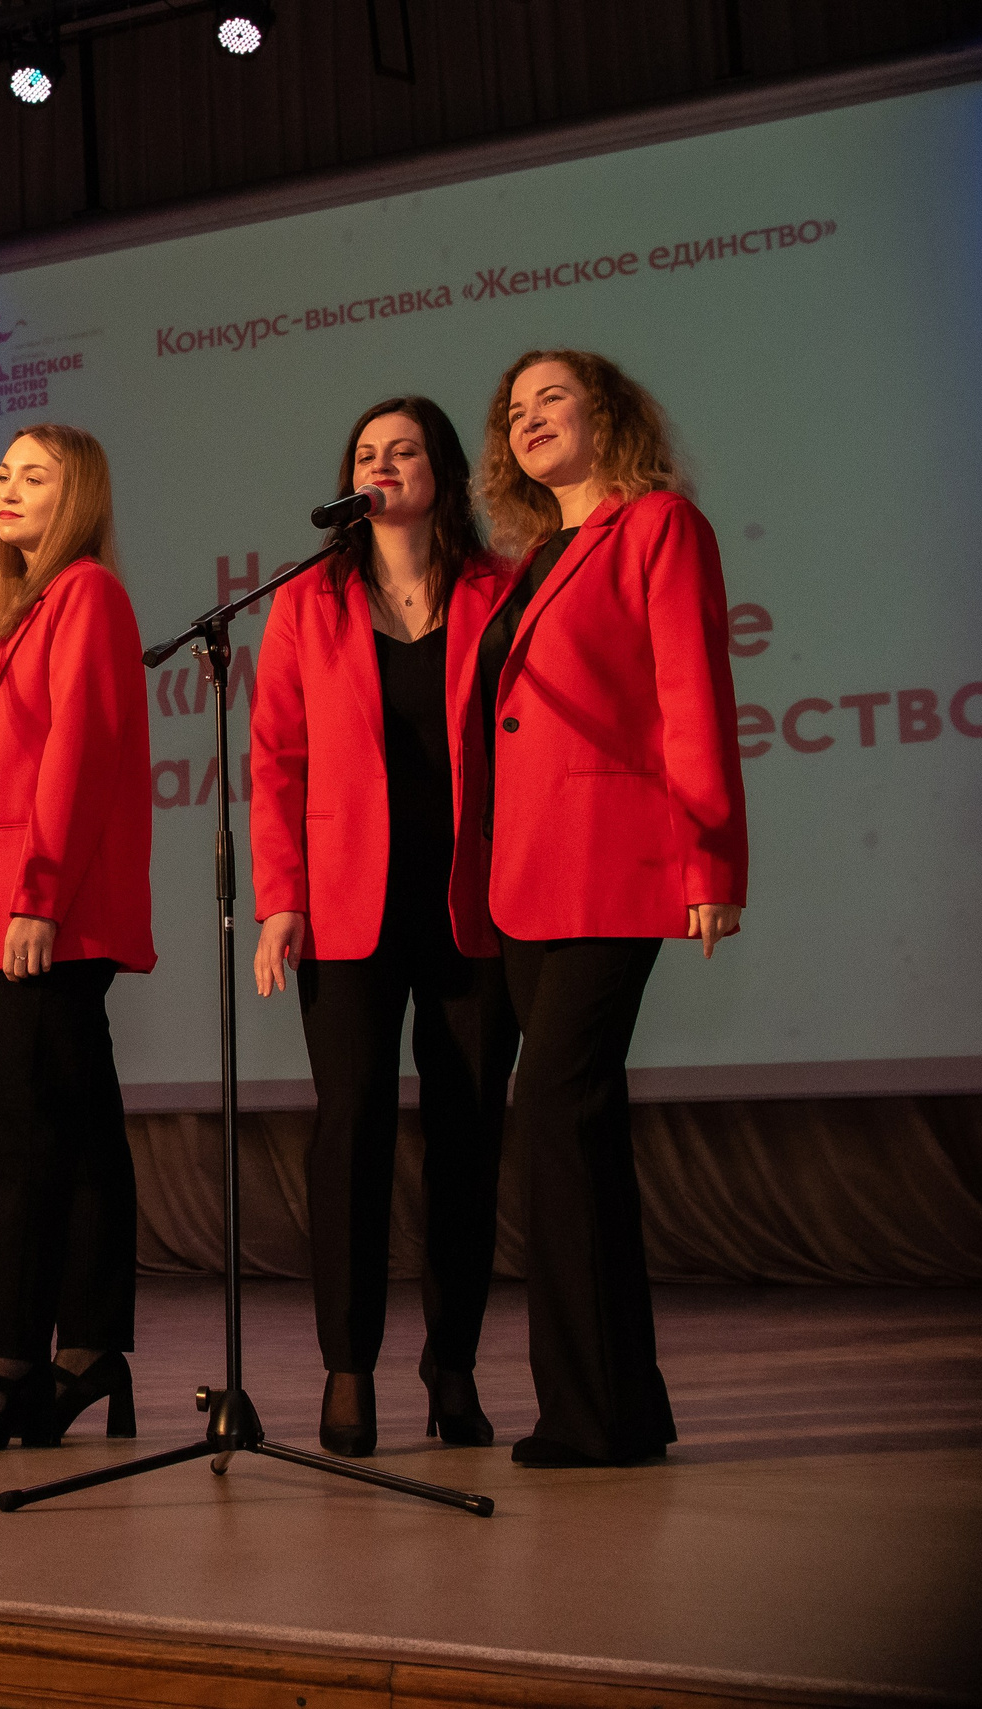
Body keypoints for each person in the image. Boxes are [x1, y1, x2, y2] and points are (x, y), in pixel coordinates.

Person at [476, 348, 747, 1467]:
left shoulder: (657, 527)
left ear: (608, 415)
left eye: (552, 399)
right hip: (528, 878)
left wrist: (711, 858)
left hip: (615, 861)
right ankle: (617, 1407)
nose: (527, 417)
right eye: (514, 408)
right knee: (572, 1134)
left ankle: (590, 1408)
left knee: (552, 1114)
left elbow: (691, 692)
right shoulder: (537, 555)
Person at [249, 397, 520, 1457]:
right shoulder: (310, 601)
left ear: (441, 472)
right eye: (364, 452)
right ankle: (346, 1366)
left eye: (402, 449)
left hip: (475, 901)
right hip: (348, 905)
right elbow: (274, 759)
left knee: (467, 1134)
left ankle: (450, 1363)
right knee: (350, 1128)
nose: (381, 464)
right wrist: (281, 897)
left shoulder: (501, 590)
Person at [0, 424, 154, 1451]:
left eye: (36, 477)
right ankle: (92, 1346)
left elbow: (81, 747)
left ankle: (13, 1355)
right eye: (6, 473)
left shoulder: (87, 597)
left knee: (21, 1134)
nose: (9, 489)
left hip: (44, 908)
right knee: (79, 1125)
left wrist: (40, 891)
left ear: (80, 497)